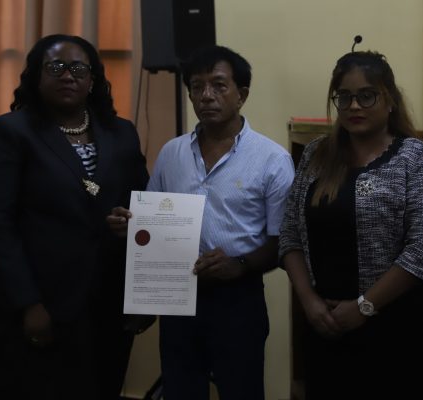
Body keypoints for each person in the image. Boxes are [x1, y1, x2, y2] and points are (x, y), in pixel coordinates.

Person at [111, 45, 295, 399]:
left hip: (238, 300)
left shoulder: (272, 160)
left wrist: (239, 265)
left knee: (241, 391)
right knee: (181, 390)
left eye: (219, 85)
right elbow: (155, 220)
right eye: (197, 86)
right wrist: (132, 224)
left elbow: (282, 242)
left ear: (241, 94)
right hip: (177, 296)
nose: (206, 96)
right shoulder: (172, 153)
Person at [0, 34, 149, 399]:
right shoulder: (12, 132)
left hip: (107, 305)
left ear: (92, 80)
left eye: (78, 68)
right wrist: (29, 303)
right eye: (55, 67)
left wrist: (129, 220)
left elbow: (141, 203)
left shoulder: (122, 134)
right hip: (41, 305)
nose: (67, 75)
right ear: (37, 76)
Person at [279, 50, 423, 400]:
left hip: (403, 333)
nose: (354, 106)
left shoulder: (418, 158)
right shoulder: (315, 155)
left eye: (366, 95)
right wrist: (309, 301)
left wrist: (364, 307)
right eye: (344, 97)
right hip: (327, 328)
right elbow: (289, 233)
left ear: (389, 100)